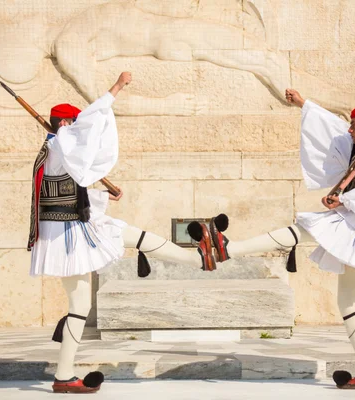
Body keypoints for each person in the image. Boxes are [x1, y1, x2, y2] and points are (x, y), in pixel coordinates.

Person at [188, 88, 355, 390]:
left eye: (354, 124)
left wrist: (343, 201)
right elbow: (331, 128)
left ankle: (229, 249)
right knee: (347, 302)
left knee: (305, 228)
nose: (349, 128)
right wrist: (305, 104)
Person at [27, 72, 215, 394]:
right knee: (80, 305)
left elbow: (69, 189)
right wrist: (116, 88)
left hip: (72, 228)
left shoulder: (56, 149)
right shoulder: (59, 146)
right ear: (65, 126)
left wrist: (102, 195)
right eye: (73, 126)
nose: (79, 133)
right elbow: (88, 127)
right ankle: (63, 376)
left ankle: (199, 258)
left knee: (129, 237)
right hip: (67, 237)